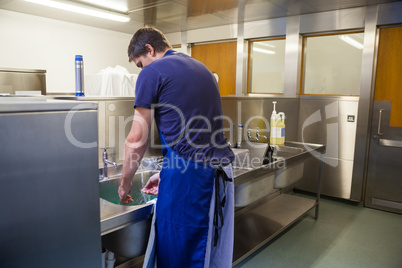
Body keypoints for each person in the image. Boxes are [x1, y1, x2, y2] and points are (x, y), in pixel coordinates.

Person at [118, 26, 235, 268]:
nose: (141, 70)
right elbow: (197, 136)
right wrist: (166, 172)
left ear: (149, 50)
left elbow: (137, 139)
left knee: (180, 256)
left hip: (191, 181)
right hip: (219, 174)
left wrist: (125, 183)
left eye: (140, 64)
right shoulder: (200, 68)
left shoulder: (152, 73)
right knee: (206, 254)